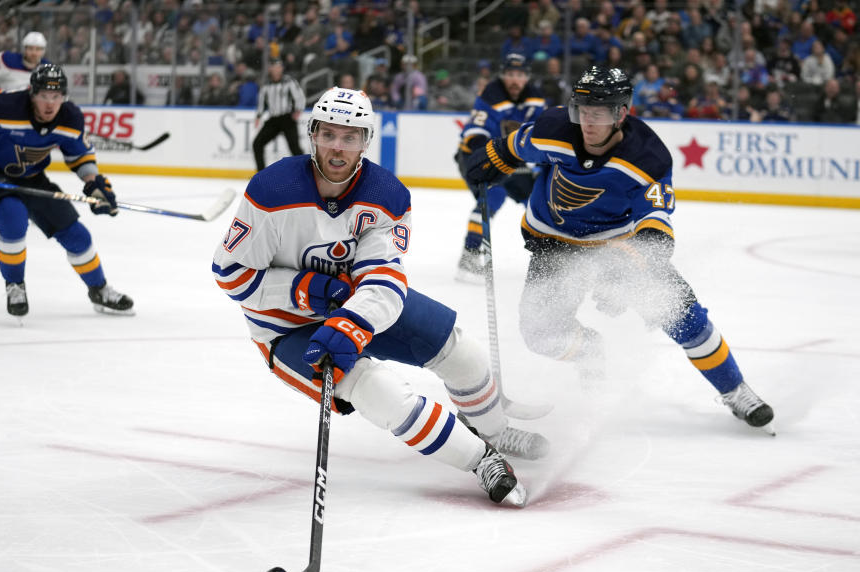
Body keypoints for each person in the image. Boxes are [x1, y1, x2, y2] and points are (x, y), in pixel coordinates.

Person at [212, 87, 551, 508]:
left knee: (463, 353)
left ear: (366, 140)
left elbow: (384, 278)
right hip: (285, 327)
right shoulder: (271, 190)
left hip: (359, 306)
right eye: (329, 134)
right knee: (381, 392)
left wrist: (352, 321)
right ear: (312, 133)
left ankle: (494, 430)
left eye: (350, 136)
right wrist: (305, 289)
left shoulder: (386, 195)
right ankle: (483, 460)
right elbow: (232, 275)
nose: (338, 146)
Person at [463, 66, 774, 432]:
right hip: (553, 243)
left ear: (621, 113)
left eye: (599, 114)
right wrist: (490, 161)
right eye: (581, 112)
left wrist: (623, 272)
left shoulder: (648, 159)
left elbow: (655, 232)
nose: (587, 123)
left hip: (618, 246)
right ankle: (589, 351)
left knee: (681, 314)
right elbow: (514, 146)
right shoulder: (553, 129)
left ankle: (736, 390)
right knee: (541, 335)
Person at [0, 64, 134, 318]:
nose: (49, 104)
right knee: (13, 217)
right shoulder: (4, 108)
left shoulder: (70, 117)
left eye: (56, 97)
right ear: (32, 93)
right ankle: (15, 286)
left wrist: (95, 187)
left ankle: (99, 290)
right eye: (44, 96)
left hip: (32, 178)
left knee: (76, 234)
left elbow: (80, 156)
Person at [454, 53, 547, 282]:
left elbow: (542, 134)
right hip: (475, 155)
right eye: (510, 74)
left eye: (520, 75)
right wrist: (486, 161)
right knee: (494, 196)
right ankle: (470, 254)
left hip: (513, 158)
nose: (515, 80)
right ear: (503, 75)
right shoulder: (491, 95)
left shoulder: (535, 98)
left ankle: (548, 255)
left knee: (538, 201)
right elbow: (475, 134)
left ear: (527, 77)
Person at [252, 59, 306, 172]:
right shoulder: (266, 84)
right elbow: (261, 101)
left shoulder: (289, 81)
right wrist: (258, 116)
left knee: (295, 148)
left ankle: (305, 172)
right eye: (274, 67)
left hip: (287, 118)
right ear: (270, 69)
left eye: (279, 67)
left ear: (282, 68)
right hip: (273, 120)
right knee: (257, 144)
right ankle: (261, 174)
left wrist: (298, 110)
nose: (277, 69)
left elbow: (299, 96)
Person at [0, 31, 48, 98]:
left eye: (38, 49)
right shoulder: (7, 60)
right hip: (4, 111)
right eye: (30, 48)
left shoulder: (47, 68)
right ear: (24, 49)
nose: (34, 53)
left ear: (43, 51)